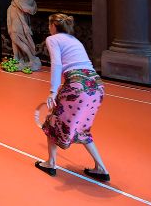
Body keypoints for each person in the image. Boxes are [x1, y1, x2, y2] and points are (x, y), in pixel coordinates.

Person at [34, 13, 110, 182]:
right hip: (96, 86)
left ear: (54, 25)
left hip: (77, 86)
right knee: (82, 128)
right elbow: (78, 66)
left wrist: (53, 91)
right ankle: (101, 168)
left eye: (49, 25)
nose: (49, 28)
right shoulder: (75, 41)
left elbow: (57, 63)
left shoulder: (53, 39)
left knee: (52, 123)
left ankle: (50, 163)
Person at [4, 0, 41, 71]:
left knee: (16, 36)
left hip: (19, 19)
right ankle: (17, 58)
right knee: (13, 37)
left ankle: (31, 58)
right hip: (12, 15)